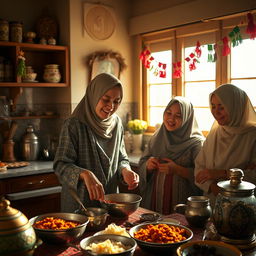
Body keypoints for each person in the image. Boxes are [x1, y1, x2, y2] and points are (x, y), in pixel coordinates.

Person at [53, 73, 139, 212]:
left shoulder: (116, 123)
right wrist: (85, 174)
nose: (111, 106)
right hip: (79, 205)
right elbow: (60, 165)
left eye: (117, 101)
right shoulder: (74, 125)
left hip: (110, 203)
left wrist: (125, 170)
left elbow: (121, 157)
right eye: (106, 99)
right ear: (94, 96)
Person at [137, 96, 205, 214]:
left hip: (181, 205)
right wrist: (148, 165)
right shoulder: (157, 137)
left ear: (187, 118)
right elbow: (143, 162)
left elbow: (203, 177)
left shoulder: (197, 143)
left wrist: (178, 170)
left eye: (178, 116)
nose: (171, 119)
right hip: (154, 203)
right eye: (168, 113)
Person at [195, 84, 256, 206]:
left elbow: (253, 177)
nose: (216, 112)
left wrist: (220, 173)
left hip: (242, 205)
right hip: (212, 202)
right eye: (213, 106)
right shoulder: (215, 132)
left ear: (235, 107)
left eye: (221, 107)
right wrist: (212, 186)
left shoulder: (252, 135)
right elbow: (199, 169)